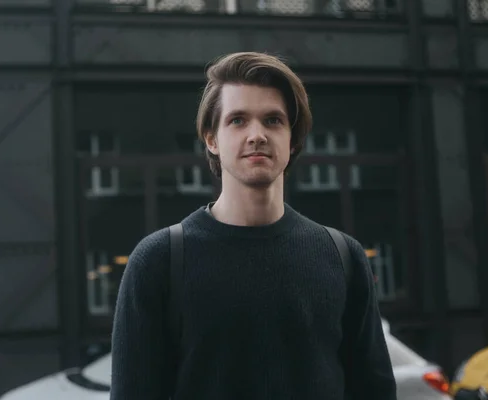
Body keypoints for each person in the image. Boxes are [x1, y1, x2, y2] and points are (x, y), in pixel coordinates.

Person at [110, 51, 397, 399]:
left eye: (273, 120)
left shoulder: (343, 257)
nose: (257, 134)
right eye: (238, 120)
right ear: (211, 139)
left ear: (292, 139)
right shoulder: (158, 261)